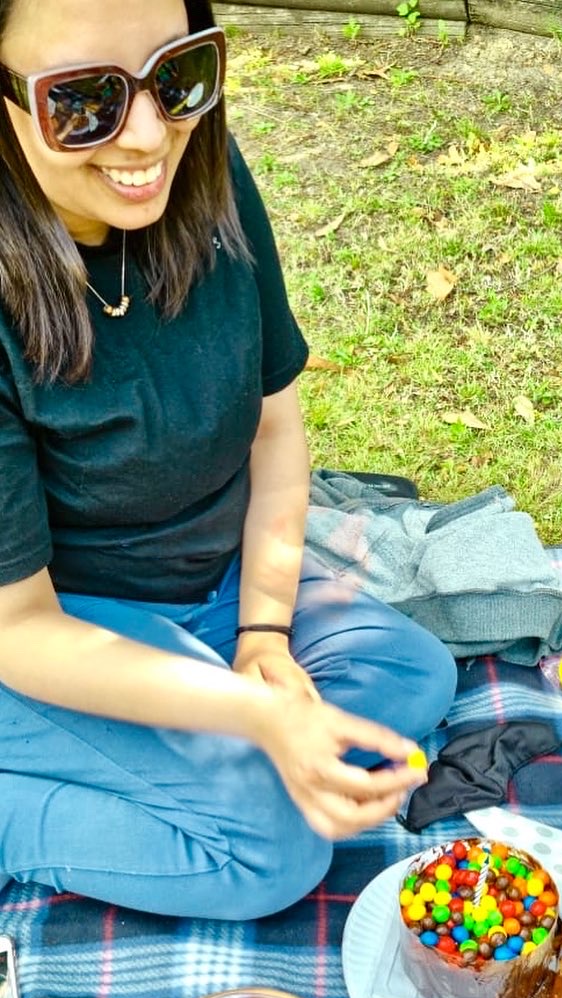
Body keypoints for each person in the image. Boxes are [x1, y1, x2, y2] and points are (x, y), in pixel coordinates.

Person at [0, 0, 458, 919]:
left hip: (206, 596)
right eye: (83, 100)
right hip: (51, 634)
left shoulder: (205, 170)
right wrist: (256, 713)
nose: (148, 135)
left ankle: (210, 766)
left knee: (415, 678)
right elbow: (21, 628)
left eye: (179, 75)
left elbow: (274, 431)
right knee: (271, 855)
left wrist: (262, 637)